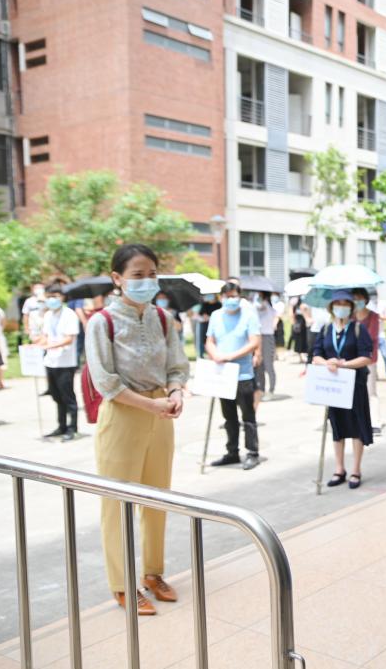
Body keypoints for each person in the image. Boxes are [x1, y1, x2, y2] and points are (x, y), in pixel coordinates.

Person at [85, 243, 189, 615]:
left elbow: (177, 364)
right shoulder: (102, 322)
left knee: (158, 498)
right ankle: (122, 585)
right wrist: (151, 405)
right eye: (137, 275)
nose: (146, 281)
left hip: (161, 413)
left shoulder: (163, 317)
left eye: (151, 274)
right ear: (117, 278)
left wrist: (175, 391)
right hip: (123, 415)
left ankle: (153, 573)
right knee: (117, 504)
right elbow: (105, 381)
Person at [312, 290, 374, 489]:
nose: (341, 307)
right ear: (332, 307)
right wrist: (327, 363)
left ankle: (356, 470)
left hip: (354, 385)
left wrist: (344, 364)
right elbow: (316, 355)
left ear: (351, 307)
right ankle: (339, 469)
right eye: (337, 303)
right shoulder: (326, 329)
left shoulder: (358, 329)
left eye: (345, 304)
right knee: (337, 427)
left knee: (356, 426)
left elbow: (366, 357)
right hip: (334, 387)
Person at [205, 282, 262, 470]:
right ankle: (232, 452)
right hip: (223, 374)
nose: (231, 300)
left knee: (248, 416)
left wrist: (231, 356)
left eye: (234, 296)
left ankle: (252, 452)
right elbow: (210, 340)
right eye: (227, 296)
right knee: (229, 417)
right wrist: (215, 354)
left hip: (243, 374)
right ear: (221, 297)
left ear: (240, 297)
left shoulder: (248, 315)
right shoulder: (216, 315)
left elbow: (254, 342)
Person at [36, 283, 81, 440]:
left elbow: (69, 339)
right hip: (50, 361)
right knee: (56, 395)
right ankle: (61, 426)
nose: (52, 300)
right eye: (49, 297)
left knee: (67, 396)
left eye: (55, 296)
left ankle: (72, 427)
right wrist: (37, 343)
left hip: (65, 362)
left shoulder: (70, 315)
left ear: (62, 297)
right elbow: (45, 336)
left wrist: (50, 345)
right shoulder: (48, 315)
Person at [351, 287, 382, 435]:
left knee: (371, 392)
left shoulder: (373, 316)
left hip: (369, 360)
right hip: (351, 360)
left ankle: (375, 422)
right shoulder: (350, 317)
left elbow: (371, 337)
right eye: (354, 299)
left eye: (359, 298)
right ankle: (355, 421)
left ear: (365, 299)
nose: (357, 301)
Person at [252, 291, 278, 403]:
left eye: (259, 295)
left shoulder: (267, 306)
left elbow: (261, 307)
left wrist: (260, 302)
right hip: (258, 336)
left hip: (267, 337)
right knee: (259, 367)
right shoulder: (257, 305)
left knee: (268, 365)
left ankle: (271, 390)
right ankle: (261, 390)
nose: (257, 297)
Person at [195, 294, 221, 359]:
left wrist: (209, 318)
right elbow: (201, 314)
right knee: (204, 340)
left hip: (216, 325)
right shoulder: (205, 304)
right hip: (205, 325)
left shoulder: (219, 305)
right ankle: (202, 354)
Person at [0, 301, 8, 390]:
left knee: (0, 361)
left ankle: (1, 381)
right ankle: (0, 381)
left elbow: (3, 322)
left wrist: (0, 331)